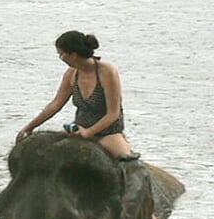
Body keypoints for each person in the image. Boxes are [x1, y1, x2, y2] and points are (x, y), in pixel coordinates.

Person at [16, 30, 137, 160]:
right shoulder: (71, 74)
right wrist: (29, 128)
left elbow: (113, 114)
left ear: (73, 54)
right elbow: (55, 105)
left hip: (107, 133)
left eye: (62, 54)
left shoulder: (107, 72)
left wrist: (89, 133)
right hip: (79, 129)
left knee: (126, 161)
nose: (61, 58)